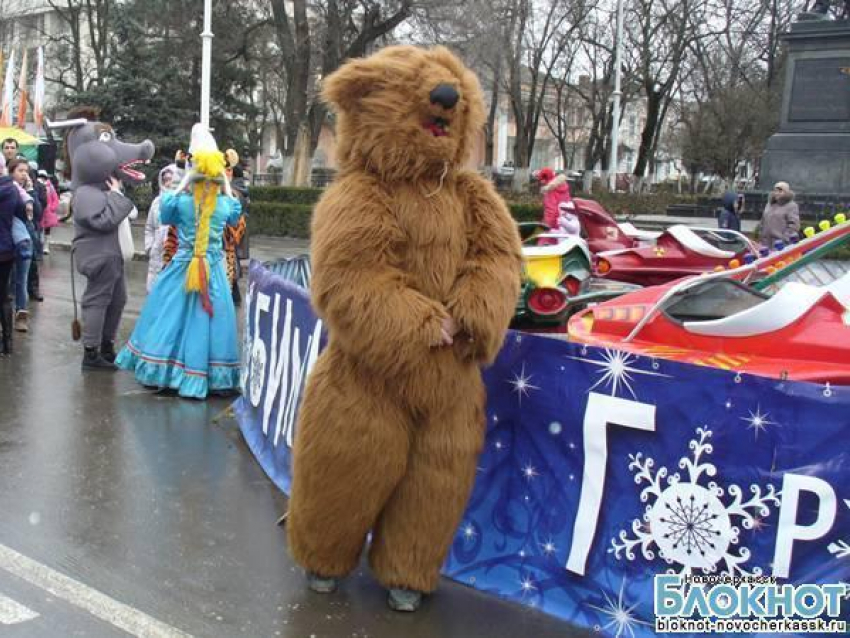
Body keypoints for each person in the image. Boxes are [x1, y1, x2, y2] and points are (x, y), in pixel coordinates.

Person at [116, 124, 243, 399]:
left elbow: (167, 211)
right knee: (213, 319)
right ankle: (208, 375)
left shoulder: (180, 203)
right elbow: (234, 214)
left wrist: (184, 181)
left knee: (169, 316)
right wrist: (224, 184)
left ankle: (165, 371)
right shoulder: (224, 204)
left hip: (181, 266)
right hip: (213, 269)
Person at [8, 159, 40, 332]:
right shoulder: (8, 188)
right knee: (9, 281)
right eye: (20, 170)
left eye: (26, 171)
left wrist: (31, 192)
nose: (24, 174)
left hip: (25, 241)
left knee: (21, 280)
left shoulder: (28, 190)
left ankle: (21, 314)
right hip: (9, 241)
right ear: (10, 171)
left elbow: (37, 215)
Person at [0, 158, 25, 355]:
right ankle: (7, 343)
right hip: (6, 249)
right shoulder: (12, 189)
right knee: (4, 297)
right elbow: (23, 215)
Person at [144, 166, 178, 292]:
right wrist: (149, 246)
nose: (168, 183)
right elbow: (149, 227)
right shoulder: (156, 202)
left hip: (174, 253)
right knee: (154, 292)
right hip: (157, 253)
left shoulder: (181, 201)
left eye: (171, 179)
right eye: (165, 180)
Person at [760, 181, 800, 247]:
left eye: (780, 191)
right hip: (765, 244)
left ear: (787, 192)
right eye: (775, 191)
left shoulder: (792, 205)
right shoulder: (769, 204)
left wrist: (785, 239)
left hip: (780, 245)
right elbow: (763, 221)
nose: (777, 193)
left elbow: (794, 225)